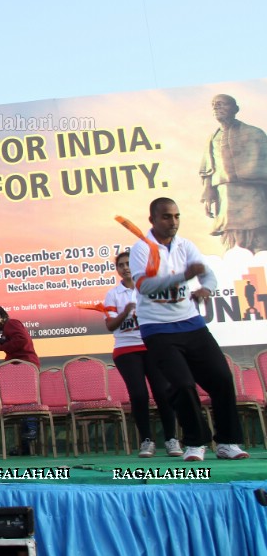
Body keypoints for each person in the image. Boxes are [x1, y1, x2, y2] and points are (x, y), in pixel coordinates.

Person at [129, 197, 249, 461]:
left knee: (221, 379)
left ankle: (228, 442)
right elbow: (144, 286)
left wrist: (207, 288)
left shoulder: (186, 245)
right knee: (182, 385)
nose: (173, 222)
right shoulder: (140, 249)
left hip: (192, 324)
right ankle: (195, 442)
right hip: (158, 329)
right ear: (152, 220)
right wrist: (182, 276)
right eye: (166, 217)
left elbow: (207, 273)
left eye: (176, 216)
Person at [104, 251, 182, 458]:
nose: (126, 267)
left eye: (129, 263)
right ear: (117, 269)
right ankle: (146, 440)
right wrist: (125, 311)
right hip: (126, 350)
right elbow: (110, 325)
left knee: (163, 392)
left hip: (153, 346)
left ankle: (171, 439)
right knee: (139, 395)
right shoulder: (113, 294)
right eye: (121, 265)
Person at [199, 94, 267, 253]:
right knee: (232, 238)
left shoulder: (255, 133)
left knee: (257, 234)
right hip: (226, 195)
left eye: (222, 104)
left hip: (252, 192)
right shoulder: (212, 138)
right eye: (214, 105)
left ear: (235, 109)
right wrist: (208, 193)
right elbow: (208, 169)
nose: (217, 107)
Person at [0, 305, 40, 453]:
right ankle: (25, 447)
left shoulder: (12, 323)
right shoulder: (8, 327)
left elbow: (21, 341)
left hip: (25, 366)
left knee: (27, 402)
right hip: (20, 366)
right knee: (21, 404)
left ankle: (32, 429)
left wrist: (1, 347)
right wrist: (1, 344)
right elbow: (16, 341)